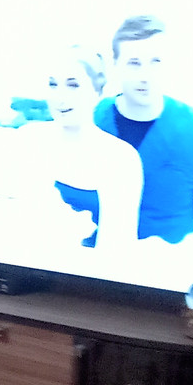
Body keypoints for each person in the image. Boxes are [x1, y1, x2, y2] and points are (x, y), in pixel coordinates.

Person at [94, 14, 193, 243]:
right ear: (116, 65)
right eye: (134, 63)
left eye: (156, 62)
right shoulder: (90, 121)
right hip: (90, 262)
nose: (145, 76)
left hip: (165, 264)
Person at [42, 45, 142, 250]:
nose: (60, 97)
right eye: (53, 85)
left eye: (73, 85)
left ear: (98, 88)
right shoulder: (29, 141)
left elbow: (117, 247)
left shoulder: (121, 159)